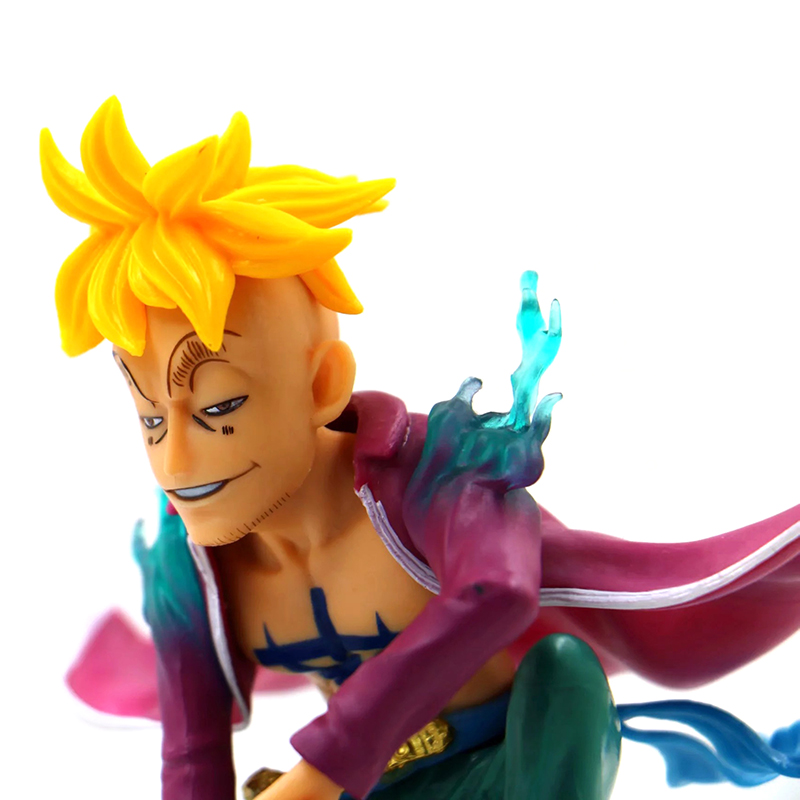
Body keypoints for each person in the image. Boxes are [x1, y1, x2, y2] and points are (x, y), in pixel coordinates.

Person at [42, 98, 800, 800]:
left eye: (219, 408)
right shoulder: (193, 561)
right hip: (367, 790)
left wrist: (322, 769)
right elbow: (194, 750)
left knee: (565, 679)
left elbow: (498, 590)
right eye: (150, 418)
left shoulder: (434, 480)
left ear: (322, 384)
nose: (175, 462)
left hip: (504, 769)